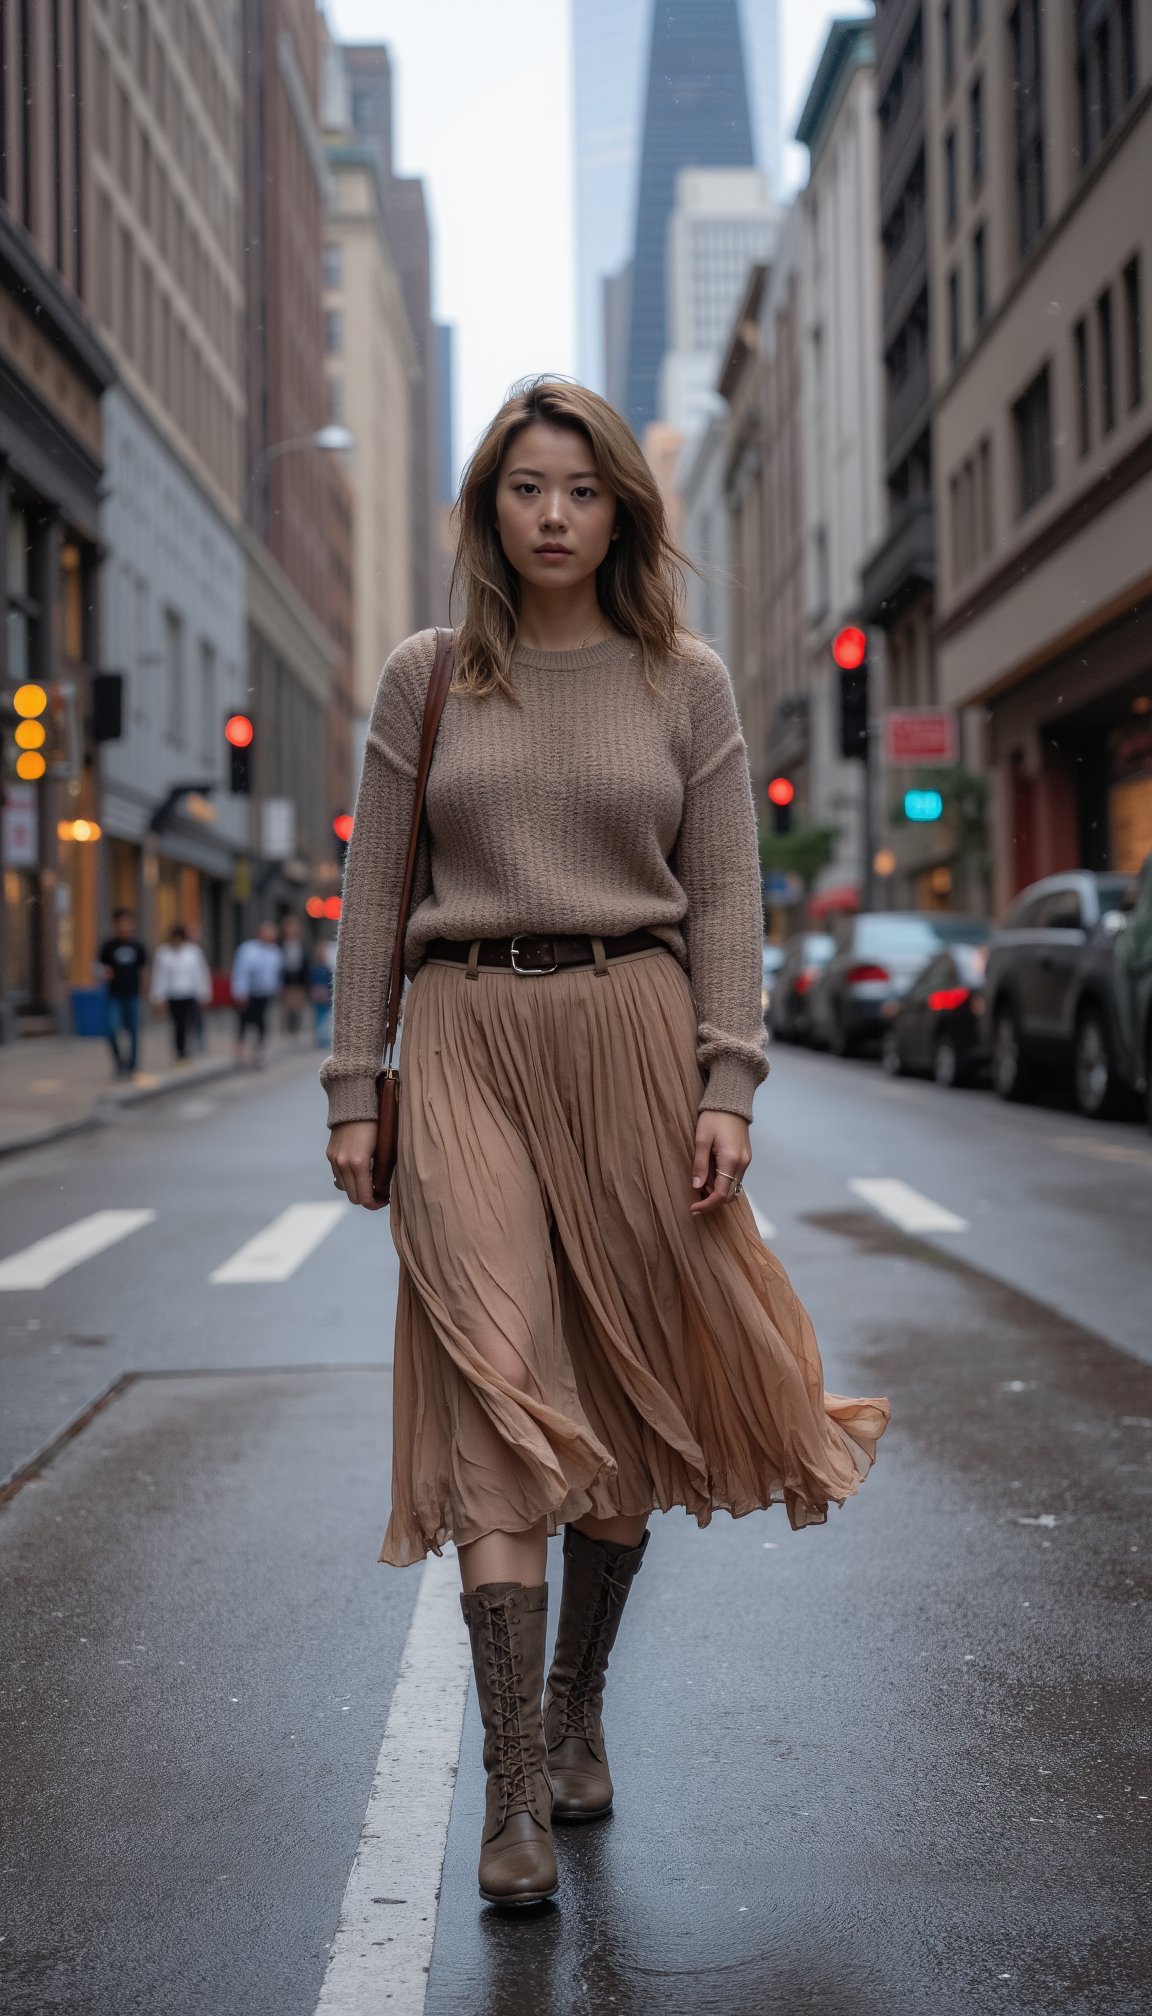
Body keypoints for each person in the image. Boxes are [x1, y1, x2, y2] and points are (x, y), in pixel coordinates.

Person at [322, 379, 890, 1911]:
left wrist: (730, 1083)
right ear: (489, 510)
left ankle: (577, 1711)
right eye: (524, 487)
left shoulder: (681, 680)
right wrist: (352, 1089)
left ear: (622, 509)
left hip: (635, 1040)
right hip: (465, 1040)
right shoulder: (428, 677)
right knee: (502, 1385)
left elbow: (728, 902)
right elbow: (377, 894)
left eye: (581, 487)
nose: (553, 513)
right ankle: (511, 1795)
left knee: (631, 1393)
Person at [149, 923, 212, 1064]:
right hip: (174, 994)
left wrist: (204, 992)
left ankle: (193, 1047)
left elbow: (200, 973)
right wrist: (157, 996)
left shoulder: (193, 952)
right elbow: (160, 976)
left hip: (189, 993)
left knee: (191, 1022)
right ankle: (180, 1051)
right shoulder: (164, 953)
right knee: (178, 1024)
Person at [98, 907, 149, 1079]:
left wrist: (144, 991)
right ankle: (119, 1063)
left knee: (133, 1030)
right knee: (111, 1029)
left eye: (128, 922)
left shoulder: (138, 946)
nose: (126, 926)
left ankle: (132, 1066)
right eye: (122, 922)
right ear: (115, 924)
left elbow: (143, 970)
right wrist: (103, 973)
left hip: (132, 994)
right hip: (114, 994)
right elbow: (99, 966)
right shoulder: (109, 946)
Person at [231, 921, 283, 1067]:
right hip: (249, 993)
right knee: (244, 1021)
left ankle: (259, 1051)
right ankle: (239, 1051)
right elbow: (242, 971)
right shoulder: (248, 950)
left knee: (261, 1022)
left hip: (265, 994)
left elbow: (276, 974)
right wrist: (240, 991)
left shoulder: (275, 952)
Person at [279, 915, 310, 1036]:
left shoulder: (302, 943)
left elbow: (306, 961)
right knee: (287, 1004)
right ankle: (288, 1026)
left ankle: (296, 1026)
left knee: (297, 1004)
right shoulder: (281, 944)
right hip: (286, 978)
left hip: (299, 979)